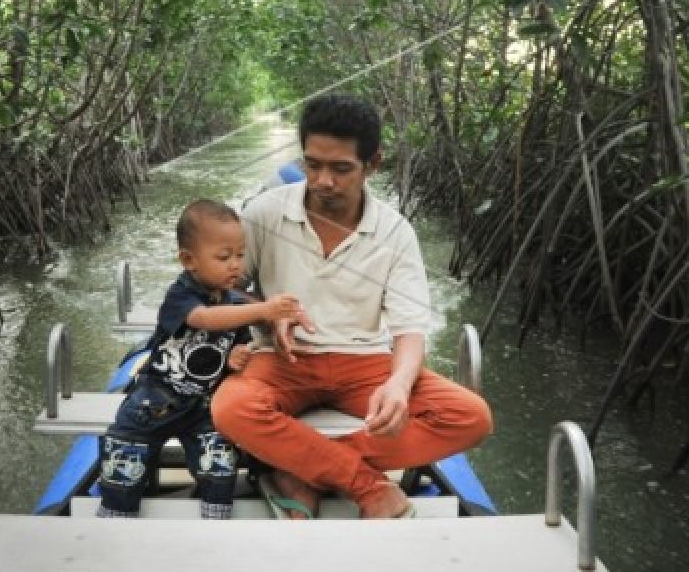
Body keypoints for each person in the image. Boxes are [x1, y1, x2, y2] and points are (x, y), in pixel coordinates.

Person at [211, 93, 493, 519]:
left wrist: (397, 385)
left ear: (372, 164)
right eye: (313, 164)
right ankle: (362, 483)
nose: (323, 180)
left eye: (341, 168)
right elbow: (220, 290)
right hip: (283, 360)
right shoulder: (263, 213)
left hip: (364, 362)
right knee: (230, 408)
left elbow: (409, 329)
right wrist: (266, 313)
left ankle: (300, 466)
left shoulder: (396, 232)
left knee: (471, 417)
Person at [97, 199, 303, 519]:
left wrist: (237, 356)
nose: (235, 265)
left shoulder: (233, 301)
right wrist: (264, 309)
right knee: (123, 465)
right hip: (154, 402)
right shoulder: (181, 295)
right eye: (223, 257)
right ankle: (114, 520)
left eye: (239, 255)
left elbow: (236, 343)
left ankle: (215, 520)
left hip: (202, 406)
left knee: (220, 467)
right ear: (188, 260)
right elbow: (205, 319)